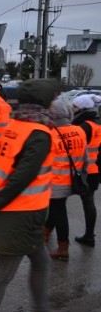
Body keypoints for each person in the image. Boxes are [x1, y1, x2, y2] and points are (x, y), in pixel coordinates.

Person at [0, 79, 73, 312]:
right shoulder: (39, 132)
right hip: (19, 212)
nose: (55, 103)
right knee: (4, 273)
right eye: (53, 98)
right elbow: (22, 176)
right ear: (43, 102)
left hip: (21, 211)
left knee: (41, 262)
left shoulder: (14, 125)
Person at [44, 98, 87, 261]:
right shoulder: (79, 131)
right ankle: (46, 232)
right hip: (72, 181)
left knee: (59, 211)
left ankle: (63, 247)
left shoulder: (51, 134)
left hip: (55, 181)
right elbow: (86, 159)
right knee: (58, 209)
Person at [71, 93, 101, 247]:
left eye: (75, 106)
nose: (73, 109)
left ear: (82, 109)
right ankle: (89, 235)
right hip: (94, 172)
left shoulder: (83, 127)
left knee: (58, 201)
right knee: (89, 203)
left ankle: (49, 232)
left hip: (81, 172)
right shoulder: (97, 125)